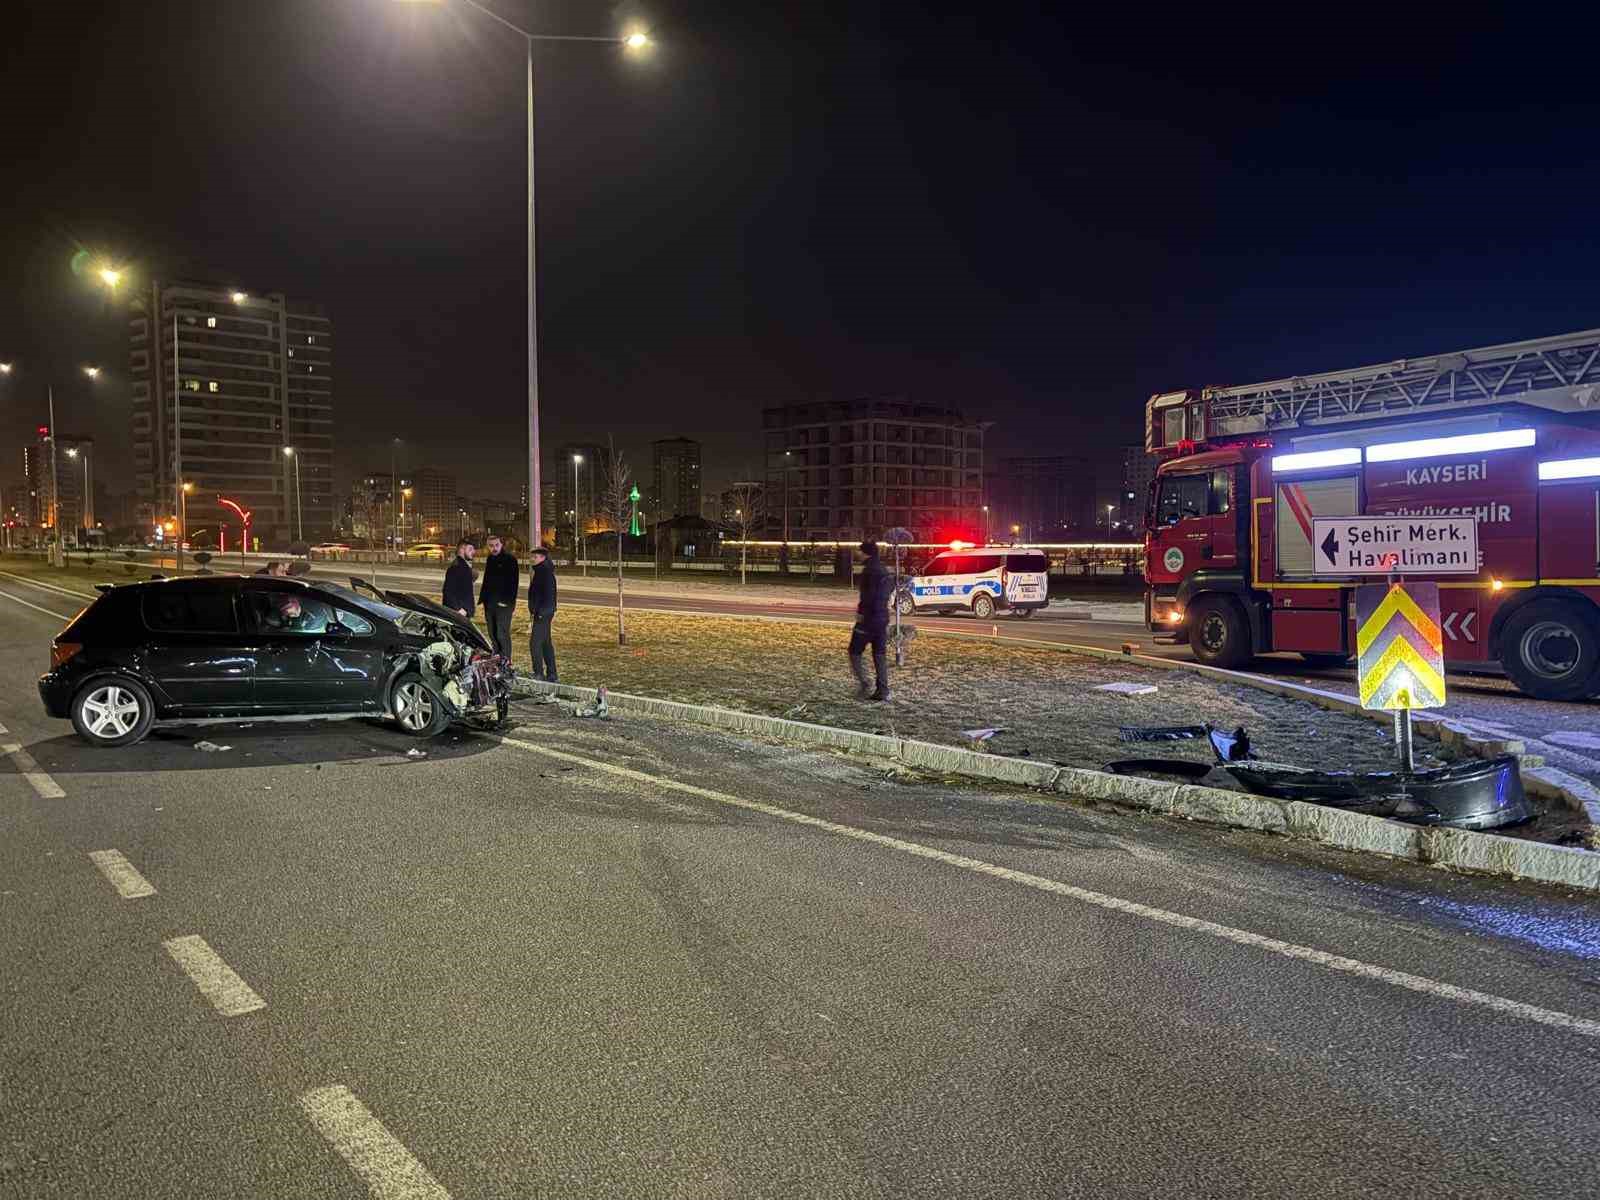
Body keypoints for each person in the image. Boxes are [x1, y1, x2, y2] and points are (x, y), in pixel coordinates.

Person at [848, 539, 893, 702]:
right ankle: (883, 689)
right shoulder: (883, 569)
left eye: (859, 551)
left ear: (865, 552)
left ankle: (865, 682)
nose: (856, 553)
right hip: (882, 618)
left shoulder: (869, 571)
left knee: (854, 651)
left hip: (868, 619)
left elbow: (868, 596)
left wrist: (862, 613)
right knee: (879, 654)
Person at [478, 535, 519, 661]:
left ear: (501, 545)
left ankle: (506, 660)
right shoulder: (490, 558)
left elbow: (513, 584)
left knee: (502, 633)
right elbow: (487, 580)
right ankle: (497, 658)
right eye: (491, 545)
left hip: (503, 605)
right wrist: (483, 599)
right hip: (489, 603)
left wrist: (506, 602)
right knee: (492, 632)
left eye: (496, 545)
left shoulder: (510, 559)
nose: (494, 548)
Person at [527, 545, 558, 682]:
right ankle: (552, 674)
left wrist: (540, 612)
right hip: (543, 612)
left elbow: (549, 595)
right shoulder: (541, 571)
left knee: (535, 643)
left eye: (536, 556)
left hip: (543, 613)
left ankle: (538, 672)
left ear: (543, 558)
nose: (532, 559)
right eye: (532, 556)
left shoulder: (544, 572)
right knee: (546, 643)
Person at [443, 539, 476, 619]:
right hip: (459, 614)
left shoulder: (463, 566)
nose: (473, 552)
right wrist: (459, 609)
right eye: (470, 549)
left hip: (463, 613)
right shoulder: (456, 567)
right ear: (462, 549)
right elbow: (448, 591)